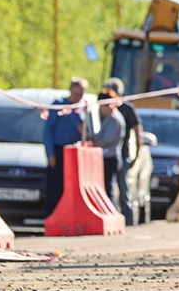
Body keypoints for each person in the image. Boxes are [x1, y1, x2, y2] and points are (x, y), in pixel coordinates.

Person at [42, 76, 88, 216]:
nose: (78, 97)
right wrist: (50, 153)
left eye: (81, 94)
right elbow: (47, 130)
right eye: (76, 94)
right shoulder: (59, 104)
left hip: (74, 153)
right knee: (55, 187)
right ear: (70, 90)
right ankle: (51, 216)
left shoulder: (81, 108)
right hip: (59, 151)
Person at [104, 77, 142, 225]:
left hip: (123, 154)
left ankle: (128, 221)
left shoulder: (127, 109)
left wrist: (136, 154)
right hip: (107, 155)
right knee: (109, 189)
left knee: (124, 190)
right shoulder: (103, 106)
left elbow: (138, 131)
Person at [90, 89, 127, 217]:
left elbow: (106, 139)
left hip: (111, 158)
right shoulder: (108, 119)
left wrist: (95, 143)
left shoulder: (115, 119)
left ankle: (112, 213)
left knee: (109, 188)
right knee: (106, 188)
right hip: (108, 157)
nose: (101, 110)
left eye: (102, 106)